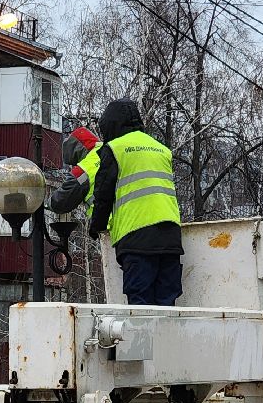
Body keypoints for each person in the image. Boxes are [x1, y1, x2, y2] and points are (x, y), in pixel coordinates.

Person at [50, 99, 183, 306]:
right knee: (167, 306)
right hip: (171, 238)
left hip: (136, 237)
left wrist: (96, 227)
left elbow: (104, 195)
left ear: (111, 125)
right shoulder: (161, 149)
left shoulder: (114, 148)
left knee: (140, 306)